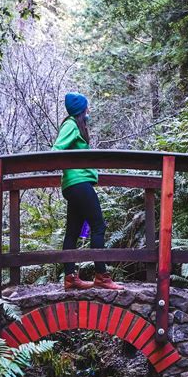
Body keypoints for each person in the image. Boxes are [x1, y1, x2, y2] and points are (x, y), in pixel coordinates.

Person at [53, 92, 123, 291]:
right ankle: (101, 275)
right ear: (82, 110)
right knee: (98, 226)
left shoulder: (75, 126)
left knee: (73, 232)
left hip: (74, 185)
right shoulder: (71, 125)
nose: (88, 111)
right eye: (87, 108)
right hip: (79, 183)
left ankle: (70, 277)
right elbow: (56, 149)